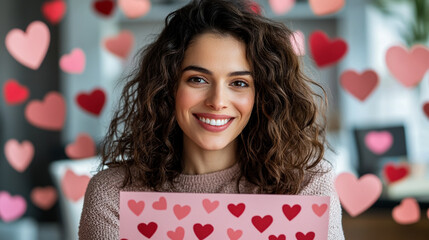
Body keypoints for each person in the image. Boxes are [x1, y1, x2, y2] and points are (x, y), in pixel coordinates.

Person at [78, 0, 344, 239]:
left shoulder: (306, 186)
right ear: (167, 87)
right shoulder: (113, 195)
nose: (217, 101)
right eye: (198, 79)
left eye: (239, 83)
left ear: (262, 95)